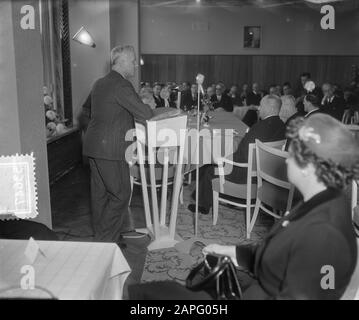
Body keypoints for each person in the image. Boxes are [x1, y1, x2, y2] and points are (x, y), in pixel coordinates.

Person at [129, 113, 359, 300]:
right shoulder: (319, 201)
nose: (287, 157)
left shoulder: (325, 234)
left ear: (310, 167)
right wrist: (234, 252)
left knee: (149, 295)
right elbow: (281, 253)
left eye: (294, 152)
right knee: (160, 291)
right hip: (262, 283)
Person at [83, 45, 153, 247]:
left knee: (100, 196)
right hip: (111, 149)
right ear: (121, 62)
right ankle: (105, 243)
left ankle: (106, 239)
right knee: (121, 194)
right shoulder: (121, 84)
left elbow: (87, 110)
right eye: (132, 61)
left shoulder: (100, 83)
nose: (134, 65)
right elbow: (145, 113)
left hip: (94, 146)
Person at [188, 95, 286, 215]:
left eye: (261, 105)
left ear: (270, 108)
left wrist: (224, 159)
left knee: (209, 169)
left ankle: (203, 205)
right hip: (265, 174)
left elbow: (242, 155)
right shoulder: (281, 125)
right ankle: (205, 196)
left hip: (244, 174)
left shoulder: (258, 127)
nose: (259, 109)